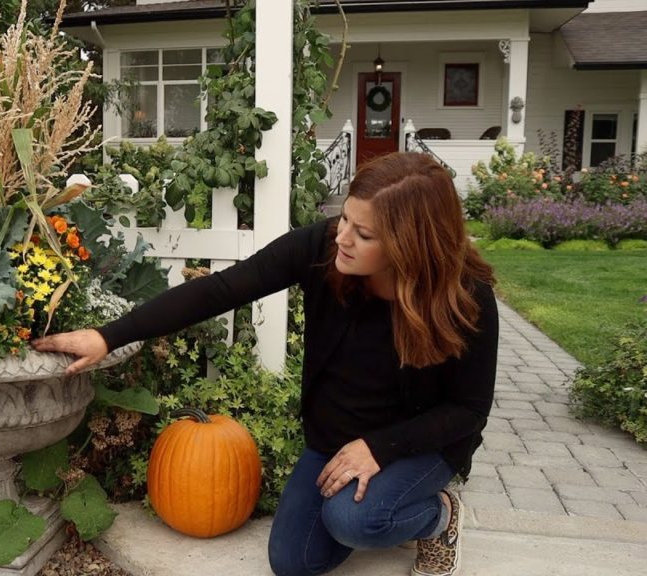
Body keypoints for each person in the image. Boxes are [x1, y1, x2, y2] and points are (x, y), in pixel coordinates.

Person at [32, 152, 498, 576]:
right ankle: (379, 511)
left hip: (419, 445)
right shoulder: (323, 248)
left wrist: (378, 448)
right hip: (333, 438)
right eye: (345, 220)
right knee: (293, 562)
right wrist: (108, 335)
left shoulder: (465, 298)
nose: (343, 237)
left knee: (354, 520)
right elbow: (221, 290)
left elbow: (469, 410)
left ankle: (436, 514)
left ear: (409, 246)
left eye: (365, 233)